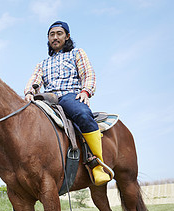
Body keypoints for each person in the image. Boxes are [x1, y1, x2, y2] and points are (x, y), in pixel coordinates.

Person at [24, 20, 111, 186]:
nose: (55, 37)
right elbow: (34, 80)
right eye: (51, 35)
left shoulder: (77, 53)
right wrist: (29, 92)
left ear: (67, 36)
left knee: (82, 114)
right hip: (48, 99)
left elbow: (89, 74)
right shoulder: (42, 64)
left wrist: (85, 91)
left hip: (69, 96)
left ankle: (97, 164)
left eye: (59, 34)